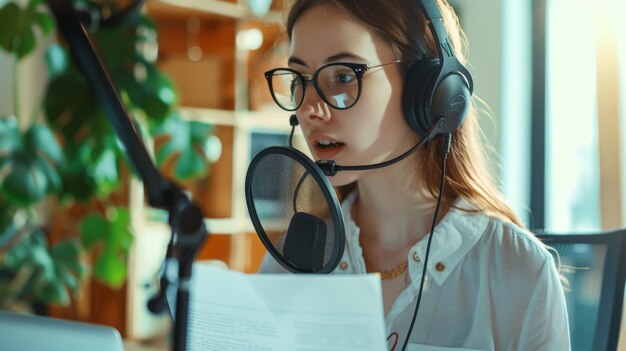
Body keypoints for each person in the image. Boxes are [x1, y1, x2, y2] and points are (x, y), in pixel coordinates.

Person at [258, 0, 570, 349]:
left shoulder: (516, 270)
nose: (310, 109)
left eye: (343, 77)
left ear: (431, 91)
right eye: (300, 80)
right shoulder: (293, 258)